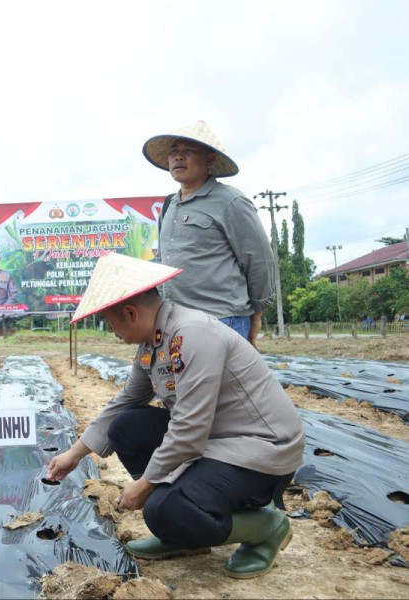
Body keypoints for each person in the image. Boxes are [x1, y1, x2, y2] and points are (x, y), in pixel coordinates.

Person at [47, 252, 304, 579]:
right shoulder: (154, 342)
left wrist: (145, 484)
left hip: (260, 451)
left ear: (130, 312)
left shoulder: (193, 334)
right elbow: (126, 401)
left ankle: (266, 528)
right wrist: (74, 454)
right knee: (126, 428)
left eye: (110, 324)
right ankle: (187, 534)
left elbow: (189, 428)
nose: (112, 333)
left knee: (161, 507)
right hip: (216, 441)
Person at [142, 121, 275, 346]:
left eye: (188, 151)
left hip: (222, 320)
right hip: (175, 322)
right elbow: (162, 261)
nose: (178, 157)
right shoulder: (168, 206)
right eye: (174, 152)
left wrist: (257, 312)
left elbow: (259, 260)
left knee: (219, 382)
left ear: (210, 160)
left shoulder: (230, 202)